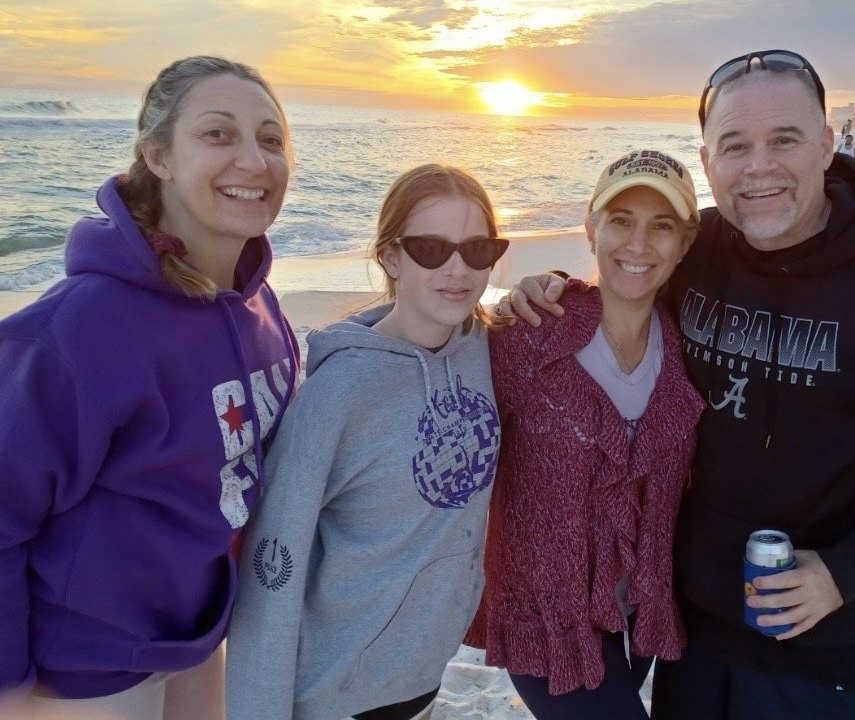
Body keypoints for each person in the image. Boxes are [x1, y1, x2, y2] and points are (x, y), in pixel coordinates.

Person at [499, 49, 855, 719]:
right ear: (710, 160)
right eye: (735, 145)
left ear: (829, 145)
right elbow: (628, 293)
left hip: (830, 644)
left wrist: (848, 570)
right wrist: (549, 294)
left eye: (785, 140)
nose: (759, 167)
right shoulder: (699, 248)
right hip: (696, 631)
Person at [0, 56, 299, 718]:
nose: (254, 160)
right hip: (80, 674)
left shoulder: (261, 306)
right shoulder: (78, 330)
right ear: (158, 155)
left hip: (199, 641)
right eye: (218, 134)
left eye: (271, 138)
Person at [225, 164, 508, 720]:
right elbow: (274, 559)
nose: (457, 269)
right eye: (431, 248)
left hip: (423, 669)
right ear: (391, 257)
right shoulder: (339, 392)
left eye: (478, 249)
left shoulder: (484, 348)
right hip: (338, 686)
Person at [465, 149, 704, 718]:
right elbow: (433, 377)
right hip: (546, 622)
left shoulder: (686, 347)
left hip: (637, 613)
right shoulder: (527, 335)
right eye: (621, 220)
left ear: (686, 242)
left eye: (661, 225)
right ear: (591, 228)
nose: (639, 244)